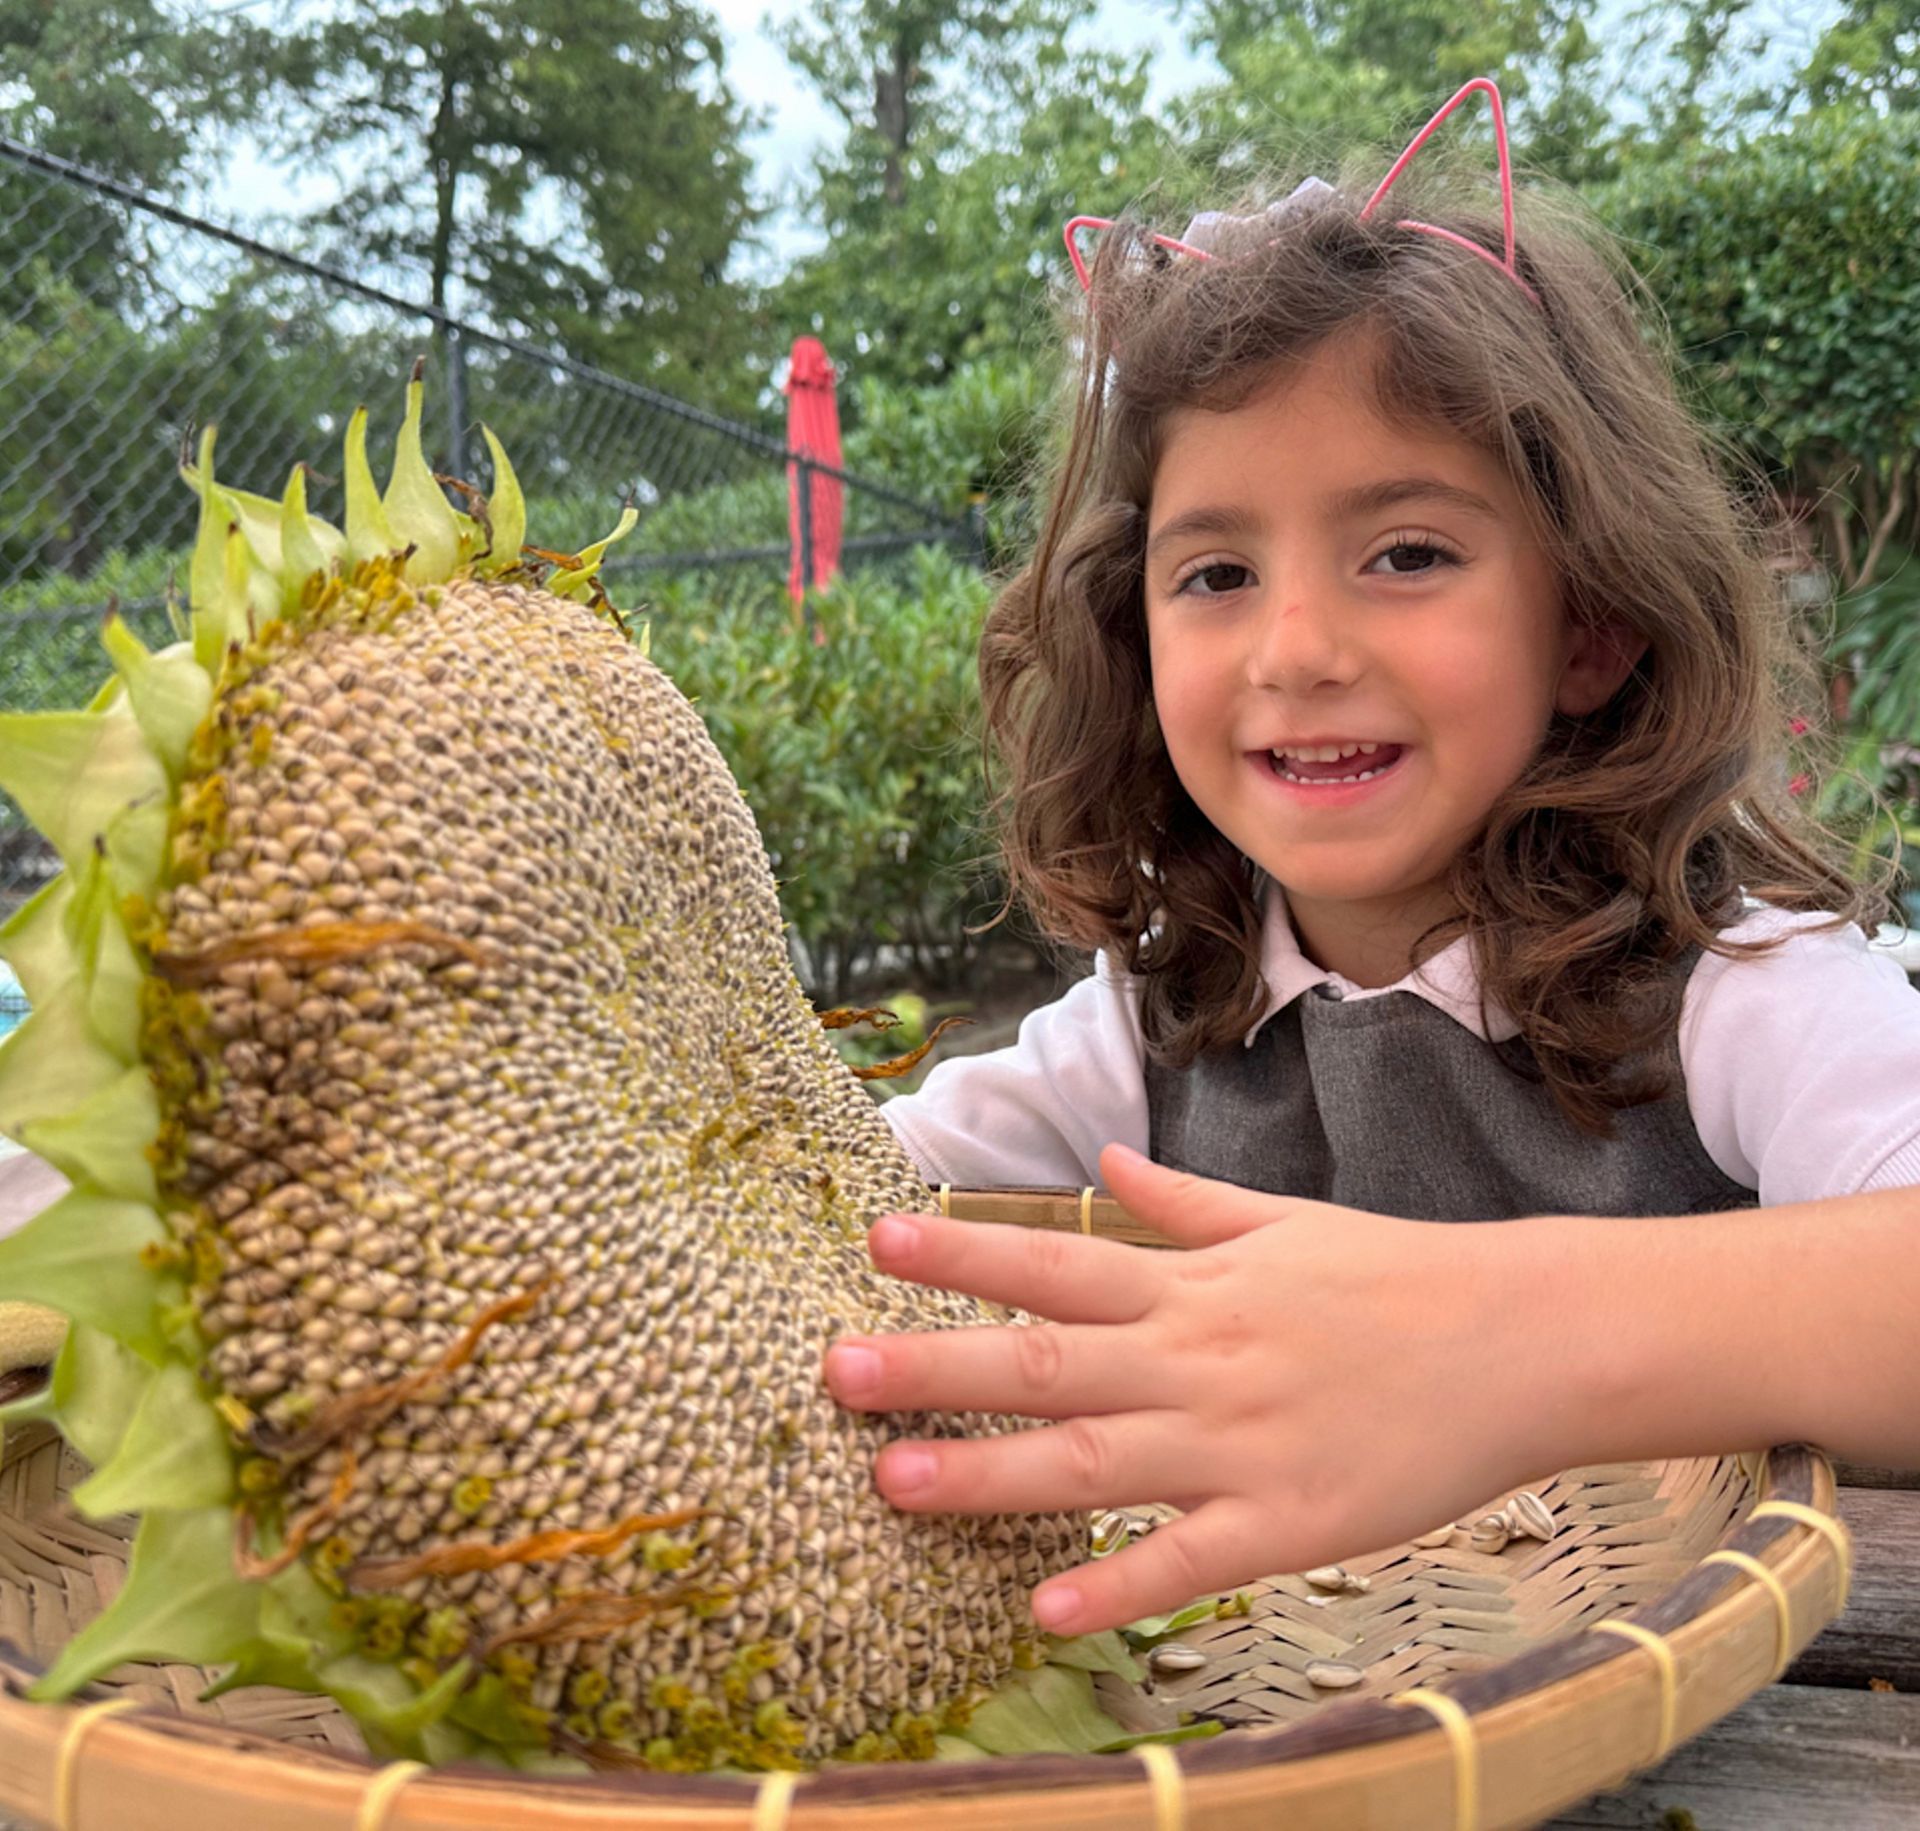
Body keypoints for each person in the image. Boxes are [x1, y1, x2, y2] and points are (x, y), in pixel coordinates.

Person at [820, 79, 1920, 1641]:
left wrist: (1478, 1342)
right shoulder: (1146, 1029)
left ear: (1592, 622)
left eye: (1408, 552)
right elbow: (848, 1202)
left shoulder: (1731, 987)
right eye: (1214, 571)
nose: (1300, 648)